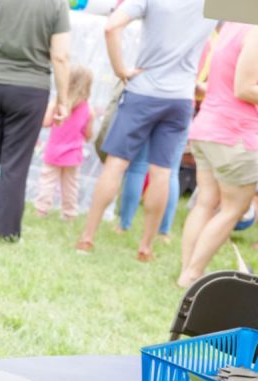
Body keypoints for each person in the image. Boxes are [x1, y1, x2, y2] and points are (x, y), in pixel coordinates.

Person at [75, 0, 216, 261]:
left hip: (142, 91)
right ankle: (146, 246)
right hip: (181, 97)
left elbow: (111, 26)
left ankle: (87, 237)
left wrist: (120, 70)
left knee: (116, 165)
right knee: (162, 172)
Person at [0, 0, 71, 241]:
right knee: (15, 164)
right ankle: (5, 232)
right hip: (29, 90)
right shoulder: (57, 5)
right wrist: (63, 100)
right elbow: (60, 56)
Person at [177, 23, 258, 288]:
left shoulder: (233, 26)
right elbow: (244, 88)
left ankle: (187, 272)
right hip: (235, 133)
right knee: (233, 209)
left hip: (209, 127)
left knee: (205, 203)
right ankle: (192, 274)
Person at [34, 65, 95, 220]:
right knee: (70, 187)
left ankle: (41, 210)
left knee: (47, 182)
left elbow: (45, 122)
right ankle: (69, 214)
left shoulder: (57, 104)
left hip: (53, 152)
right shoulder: (88, 110)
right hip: (73, 156)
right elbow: (88, 136)